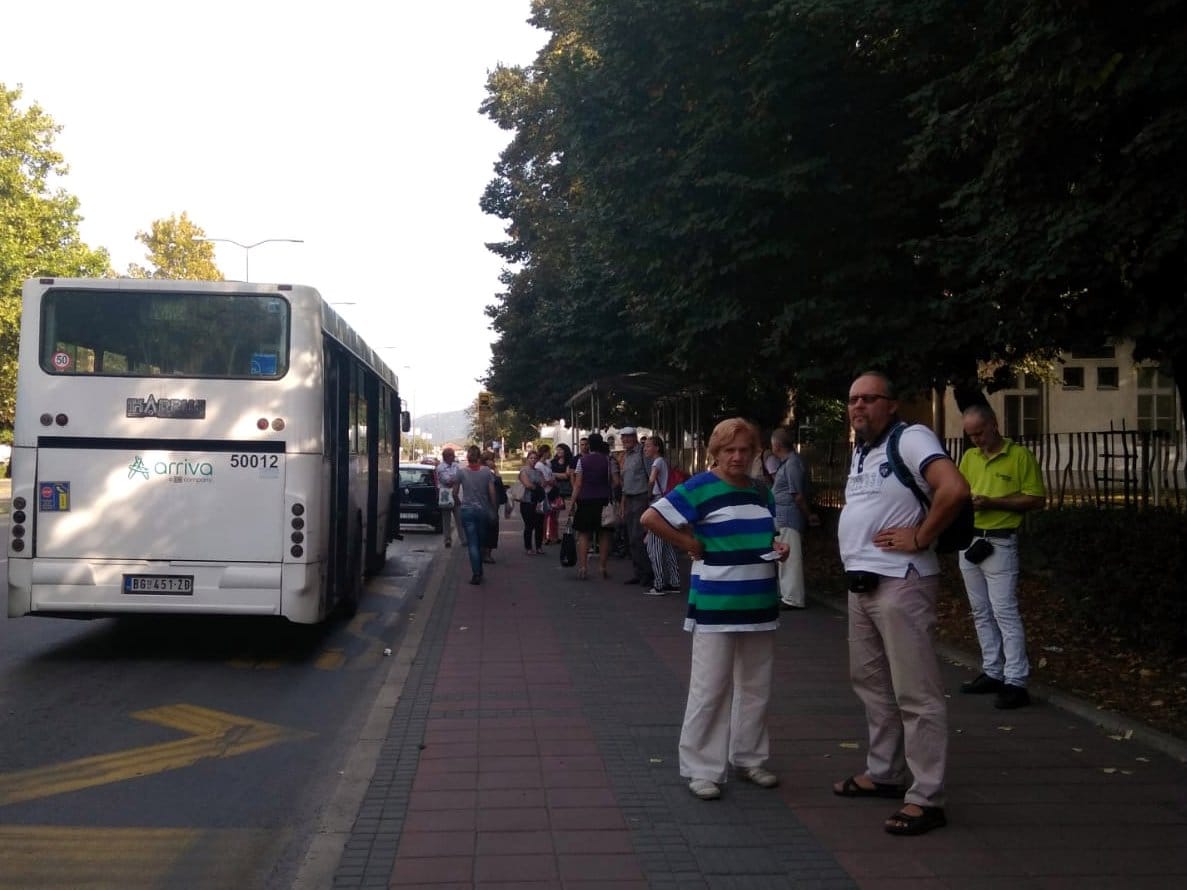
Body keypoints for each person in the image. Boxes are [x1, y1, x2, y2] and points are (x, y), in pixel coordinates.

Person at [832, 371, 970, 836]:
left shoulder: (911, 438)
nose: (858, 407)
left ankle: (928, 797)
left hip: (903, 583)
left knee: (915, 692)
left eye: (869, 399)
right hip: (863, 584)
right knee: (870, 684)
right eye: (853, 400)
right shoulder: (862, 450)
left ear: (891, 404)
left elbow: (953, 489)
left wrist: (922, 535)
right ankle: (885, 772)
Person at [641, 418, 789, 801]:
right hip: (715, 603)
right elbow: (651, 517)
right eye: (729, 450)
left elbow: (767, 534)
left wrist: (779, 547)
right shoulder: (700, 488)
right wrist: (688, 543)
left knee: (756, 686)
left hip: (759, 602)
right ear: (715, 453)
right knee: (710, 687)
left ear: (755, 452)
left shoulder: (761, 491)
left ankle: (749, 757)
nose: (737, 456)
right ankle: (701, 768)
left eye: (744, 449)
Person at [956, 404, 1046, 710]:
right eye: (971, 435)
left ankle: (1016, 680)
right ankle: (992, 670)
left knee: (1004, 611)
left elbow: (1035, 498)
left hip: (1000, 541)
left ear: (994, 424)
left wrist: (993, 502)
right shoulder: (969, 457)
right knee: (980, 611)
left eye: (980, 433)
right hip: (970, 540)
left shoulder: (1019, 456)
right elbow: (958, 492)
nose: (976, 440)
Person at [770, 426, 817, 609]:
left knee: (791, 559)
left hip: (790, 517)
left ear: (777, 446)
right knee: (784, 557)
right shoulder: (788, 463)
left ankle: (793, 598)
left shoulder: (792, 464)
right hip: (783, 517)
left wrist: (808, 515)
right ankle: (786, 594)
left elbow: (796, 494)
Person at [569, 432, 614, 580]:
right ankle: (603, 566)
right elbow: (615, 482)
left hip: (586, 500)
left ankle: (583, 567)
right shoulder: (608, 461)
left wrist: (572, 501)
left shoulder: (582, 461)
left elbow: (578, 483)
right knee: (604, 534)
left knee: (584, 534)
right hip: (604, 500)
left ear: (589, 445)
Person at [642, 435, 681, 595]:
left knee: (654, 546)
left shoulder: (657, 462)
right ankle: (674, 581)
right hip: (666, 505)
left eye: (649, 446)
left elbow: (651, 480)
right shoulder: (664, 461)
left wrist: (647, 496)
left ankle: (658, 583)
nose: (646, 449)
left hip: (658, 504)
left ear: (657, 448)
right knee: (667, 545)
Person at [618, 427, 654, 588]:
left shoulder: (642, 453)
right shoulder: (625, 455)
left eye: (628, 438)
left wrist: (649, 499)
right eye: (623, 438)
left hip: (641, 498)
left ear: (634, 438)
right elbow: (625, 481)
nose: (625, 441)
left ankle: (647, 573)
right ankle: (638, 572)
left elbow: (651, 476)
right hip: (629, 498)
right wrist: (623, 502)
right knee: (631, 538)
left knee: (639, 537)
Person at [457, 445, 498, 584]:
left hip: (467, 511)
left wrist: (459, 503)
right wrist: (493, 508)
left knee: (472, 543)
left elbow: (454, 493)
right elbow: (492, 492)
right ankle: (480, 569)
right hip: (483, 511)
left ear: (468, 457)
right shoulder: (486, 471)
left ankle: (476, 573)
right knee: (481, 542)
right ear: (479, 456)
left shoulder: (461, 472)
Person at [517, 449, 547, 554]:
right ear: (527, 459)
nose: (533, 460)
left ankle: (539, 546)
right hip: (527, 501)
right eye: (531, 458)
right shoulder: (524, 470)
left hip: (538, 501)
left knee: (539, 525)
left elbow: (544, 483)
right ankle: (528, 547)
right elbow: (527, 484)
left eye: (535, 458)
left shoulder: (539, 471)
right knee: (529, 525)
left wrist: (537, 486)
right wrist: (537, 487)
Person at [435, 447, 466, 549]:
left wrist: (454, 479)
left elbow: (460, 478)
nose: (454, 457)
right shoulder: (440, 467)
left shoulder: (456, 466)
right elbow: (446, 481)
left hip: (456, 495)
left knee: (460, 518)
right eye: (452, 455)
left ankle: (463, 539)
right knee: (446, 519)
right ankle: (447, 540)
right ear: (447, 456)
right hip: (446, 496)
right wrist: (455, 479)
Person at [482, 450, 507, 565]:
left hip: (487, 505)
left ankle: (485, 553)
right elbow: (499, 486)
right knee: (491, 529)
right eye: (491, 460)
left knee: (487, 530)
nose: (493, 462)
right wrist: (497, 472)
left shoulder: (482, 472)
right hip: (490, 505)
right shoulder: (489, 474)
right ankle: (487, 554)